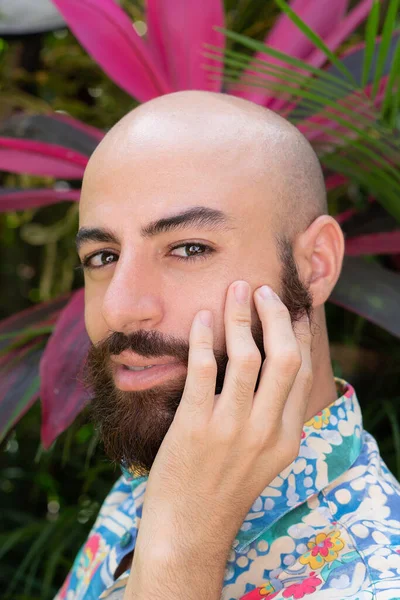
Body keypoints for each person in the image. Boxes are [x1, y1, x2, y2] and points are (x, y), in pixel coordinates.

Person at [55, 91, 400, 600]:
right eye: (103, 256)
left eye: (189, 248)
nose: (119, 309)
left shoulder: (373, 580)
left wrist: (180, 554)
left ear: (316, 265)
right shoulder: (171, 447)